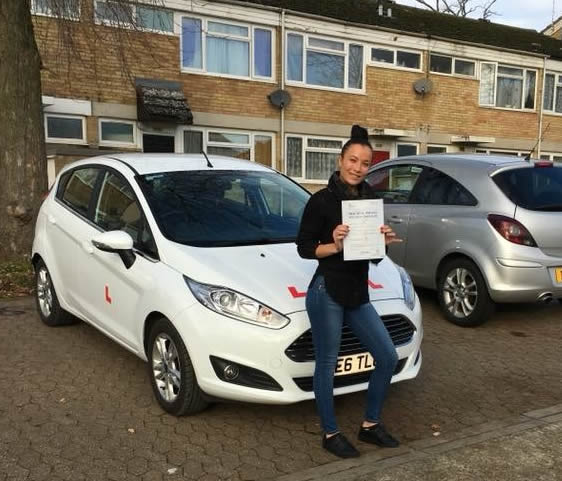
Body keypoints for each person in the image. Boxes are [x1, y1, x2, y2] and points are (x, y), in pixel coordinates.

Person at [296, 125, 402, 459]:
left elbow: (371, 255)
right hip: (326, 290)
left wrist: (383, 243)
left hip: (357, 291)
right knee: (327, 363)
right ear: (340, 160)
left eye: (365, 163)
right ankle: (330, 433)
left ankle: (370, 425)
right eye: (352, 160)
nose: (357, 167)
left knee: (387, 356)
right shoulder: (321, 201)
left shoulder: (370, 200)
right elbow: (304, 247)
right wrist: (334, 244)